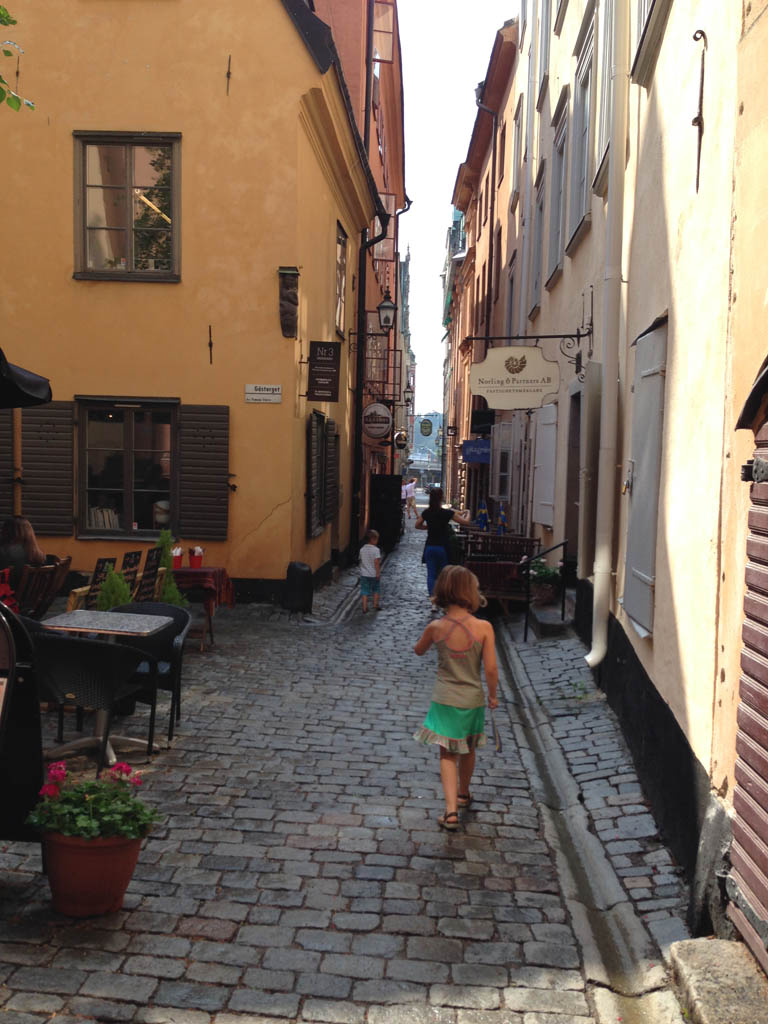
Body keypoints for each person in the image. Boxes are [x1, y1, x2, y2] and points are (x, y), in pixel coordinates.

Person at [413, 565, 499, 831]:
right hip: (472, 699)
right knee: (469, 747)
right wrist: (493, 696)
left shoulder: (436, 627)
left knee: (448, 753)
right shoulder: (484, 627)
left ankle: (450, 812)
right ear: (470, 592)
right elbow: (491, 668)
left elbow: (418, 650)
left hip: (445, 699)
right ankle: (464, 792)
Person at [414, 487, 472, 600]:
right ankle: (443, 597)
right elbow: (466, 522)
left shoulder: (427, 512)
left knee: (431, 575)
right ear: (441, 498)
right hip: (443, 548)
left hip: (430, 547)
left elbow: (417, 525)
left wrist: (428, 527)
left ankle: (433, 601)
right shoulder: (447, 513)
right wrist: (468, 512)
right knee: (443, 575)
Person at [0, 515, 45, 591]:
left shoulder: (4, 553)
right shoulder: (38, 555)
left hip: (7, 598)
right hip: (29, 598)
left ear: (6, 532)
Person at [359, 528, 382, 613]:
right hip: (373, 574)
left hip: (364, 574)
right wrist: (378, 573)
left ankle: (364, 608)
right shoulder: (376, 550)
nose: (377, 541)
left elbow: (361, 560)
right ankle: (375, 605)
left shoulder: (362, 549)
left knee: (364, 590)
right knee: (376, 589)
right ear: (373, 539)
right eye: (377, 539)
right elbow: (376, 563)